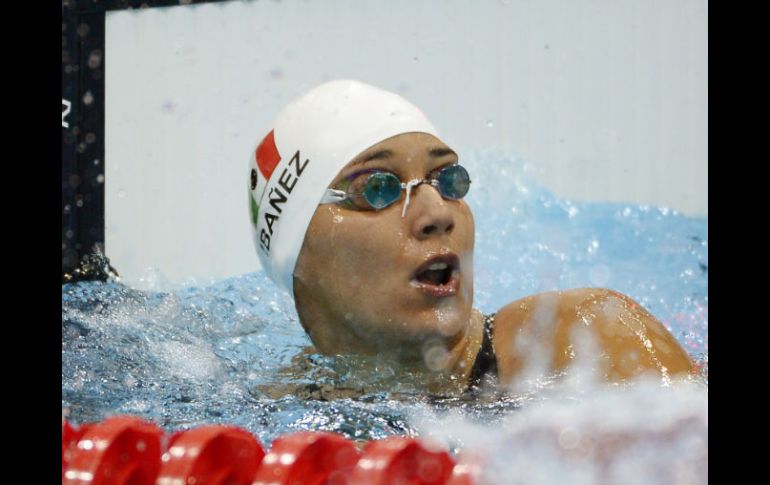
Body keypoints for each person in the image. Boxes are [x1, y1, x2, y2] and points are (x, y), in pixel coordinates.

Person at [247, 80, 693, 394]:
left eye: (448, 179)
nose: (437, 214)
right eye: (378, 188)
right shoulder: (270, 405)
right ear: (297, 254)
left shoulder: (584, 339)